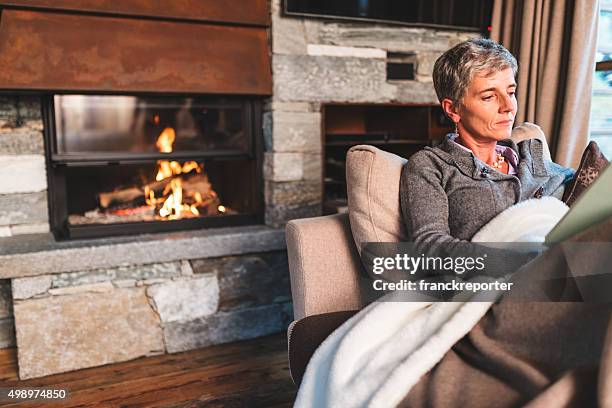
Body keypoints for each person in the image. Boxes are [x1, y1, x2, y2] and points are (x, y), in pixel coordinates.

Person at [400, 38, 575, 277]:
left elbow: (581, 190)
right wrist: (518, 263)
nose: (508, 106)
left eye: (510, 92)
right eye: (488, 97)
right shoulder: (431, 166)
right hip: (502, 284)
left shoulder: (529, 155)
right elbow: (430, 247)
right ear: (453, 109)